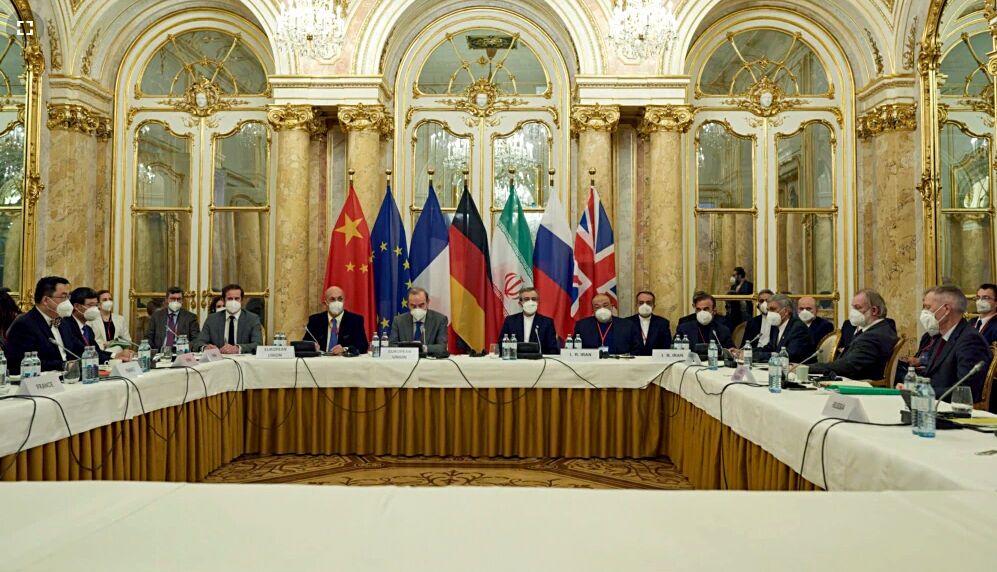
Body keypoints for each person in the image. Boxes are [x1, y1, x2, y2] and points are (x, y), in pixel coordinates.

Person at [900, 286, 991, 401]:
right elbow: (930, 375)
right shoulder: (940, 337)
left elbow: (966, 391)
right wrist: (910, 386)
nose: (924, 313)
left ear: (946, 309)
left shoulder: (970, 340)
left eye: (928, 307)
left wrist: (920, 391)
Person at [809, 289, 898, 381]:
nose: (853, 312)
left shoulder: (873, 336)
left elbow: (847, 367)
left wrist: (807, 368)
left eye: (858, 308)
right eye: (853, 307)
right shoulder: (882, 329)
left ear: (874, 310)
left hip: (860, 385)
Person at [4, 276, 74, 374]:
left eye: (68, 297)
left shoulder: (64, 322)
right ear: (46, 300)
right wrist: (63, 365)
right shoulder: (25, 324)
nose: (67, 302)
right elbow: (22, 362)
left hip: (70, 377)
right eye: (63, 297)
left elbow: (74, 352)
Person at [194, 283, 263, 354]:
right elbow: (198, 343)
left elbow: (257, 344)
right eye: (230, 299)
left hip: (242, 359)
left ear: (241, 300)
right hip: (219, 358)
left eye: (237, 299)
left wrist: (238, 348)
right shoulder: (212, 319)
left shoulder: (252, 319)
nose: (233, 302)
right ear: (223, 300)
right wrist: (205, 347)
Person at [304, 286, 369, 354]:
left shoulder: (355, 320)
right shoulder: (315, 320)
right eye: (332, 299)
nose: (336, 302)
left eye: (340, 299)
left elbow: (363, 346)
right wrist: (312, 347)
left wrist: (344, 349)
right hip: (321, 359)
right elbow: (305, 344)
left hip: (344, 359)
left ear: (344, 301)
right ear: (325, 303)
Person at [61, 287, 120, 363]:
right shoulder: (66, 325)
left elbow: (96, 351)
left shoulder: (88, 329)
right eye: (90, 305)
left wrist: (115, 355)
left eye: (96, 305)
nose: (95, 309)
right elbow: (82, 352)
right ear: (77, 306)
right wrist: (113, 359)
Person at [752, 294, 816, 363]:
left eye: (772, 309)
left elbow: (789, 355)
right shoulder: (775, 326)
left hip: (799, 367)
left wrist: (757, 356)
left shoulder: (798, 328)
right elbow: (770, 348)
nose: (769, 313)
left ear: (786, 311)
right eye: (768, 310)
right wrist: (748, 352)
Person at [573, 293, 641, 355]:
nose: (602, 309)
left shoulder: (627, 325)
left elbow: (637, 349)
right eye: (597, 307)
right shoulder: (582, 326)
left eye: (605, 305)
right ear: (593, 309)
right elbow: (574, 349)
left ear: (611, 306)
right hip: (592, 363)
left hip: (619, 362)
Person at [389, 287, 449, 355]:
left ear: (427, 302)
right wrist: (409, 351)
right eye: (413, 306)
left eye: (421, 305)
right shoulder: (398, 321)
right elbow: (392, 345)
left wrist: (422, 348)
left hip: (429, 360)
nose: (417, 309)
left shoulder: (440, 320)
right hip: (407, 360)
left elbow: (442, 347)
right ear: (408, 305)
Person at [499, 286, 559, 354]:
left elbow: (552, 349)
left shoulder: (547, 322)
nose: (530, 302)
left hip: (539, 360)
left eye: (534, 299)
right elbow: (502, 345)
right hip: (516, 359)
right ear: (520, 303)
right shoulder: (510, 321)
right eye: (526, 299)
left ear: (538, 302)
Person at [145, 287, 200, 352]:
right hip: (160, 353)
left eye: (179, 299)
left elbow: (196, 339)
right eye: (173, 299)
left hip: (181, 353)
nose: (176, 301)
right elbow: (148, 338)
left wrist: (184, 348)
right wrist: (151, 351)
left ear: (182, 301)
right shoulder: (156, 316)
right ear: (167, 300)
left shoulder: (190, 317)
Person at [626, 290, 672, 356]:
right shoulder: (627, 322)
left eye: (648, 303)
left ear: (654, 306)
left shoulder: (663, 323)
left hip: (655, 359)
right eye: (641, 303)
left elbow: (666, 346)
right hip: (633, 359)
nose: (645, 306)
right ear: (636, 305)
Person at [90, 290, 132, 357]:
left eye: (110, 299)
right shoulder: (91, 320)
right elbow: (90, 342)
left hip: (119, 354)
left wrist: (114, 343)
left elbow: (128, 341)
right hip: (100, 354)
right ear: (98, 304)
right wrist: (105, 345)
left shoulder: (120, 319)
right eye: (105, 300)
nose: (108, 302)